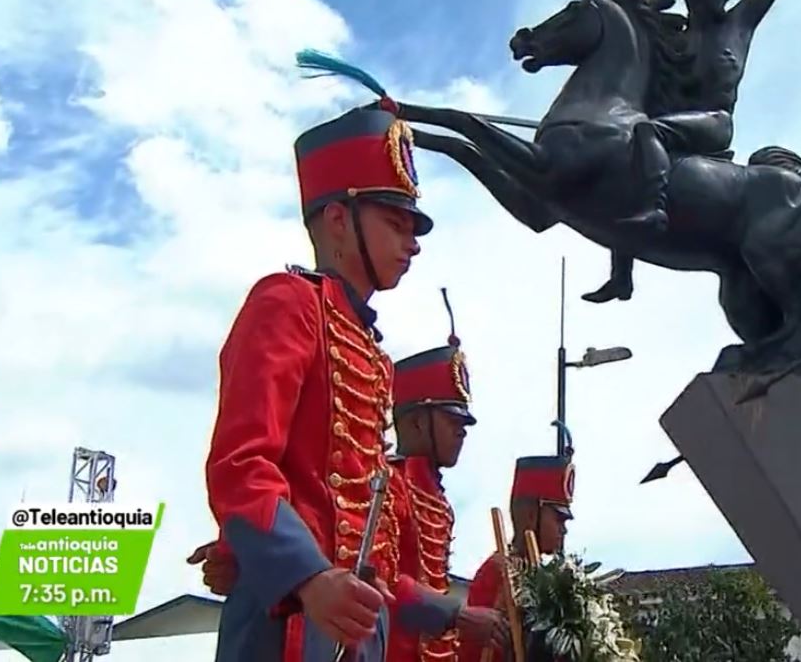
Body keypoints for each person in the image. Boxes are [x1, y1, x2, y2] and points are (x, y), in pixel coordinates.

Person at [203, 98, 465, 662]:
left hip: (352, 622)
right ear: (339, 219)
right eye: (395, 222)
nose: (413, 241)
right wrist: (305, 574)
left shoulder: (372, 349)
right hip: (291, 617)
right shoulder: (288, 303)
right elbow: (240, 464)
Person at [584, 0, 786, 305]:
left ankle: (656, 209)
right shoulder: (675, 40)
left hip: (714, 123)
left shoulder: (737, 25)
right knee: (623, 151)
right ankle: (621, 276)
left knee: (648, 130)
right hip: (676, 125)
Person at [385, 290, 509, 661]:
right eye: (451, 419)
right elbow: (381, 581)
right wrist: (455, 615)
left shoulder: (436, 497)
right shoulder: (388, 483)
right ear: (417, 421)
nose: (462, 431)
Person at [455, 454, 575, 662]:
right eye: (558, 518)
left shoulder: (541, 576)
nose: (563, 530)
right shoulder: (497, 573)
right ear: (530, 515)